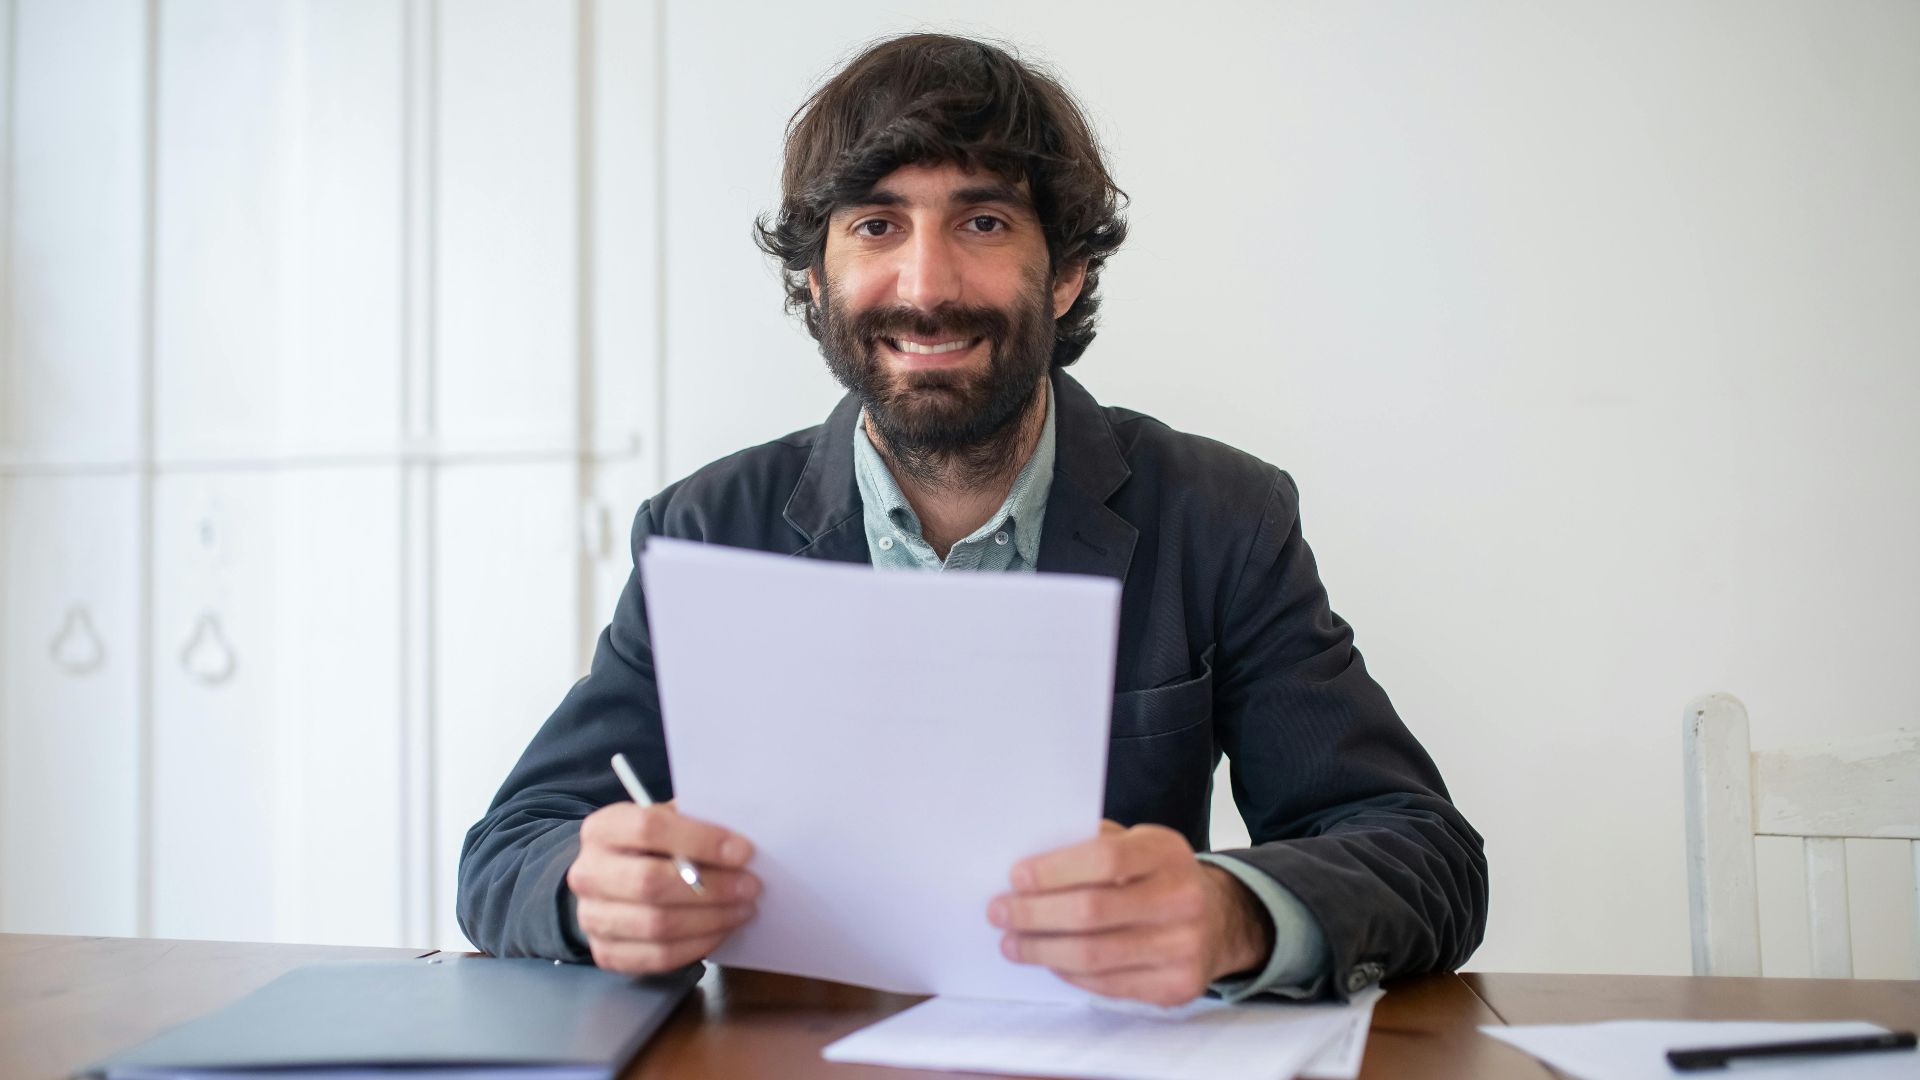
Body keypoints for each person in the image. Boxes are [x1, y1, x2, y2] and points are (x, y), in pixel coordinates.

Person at [457, 32, 1486, 1006]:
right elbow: (508, 848)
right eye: (876, 225)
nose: (927, 285)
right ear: (816, 280)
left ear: (1070, 268)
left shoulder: (1220, 516)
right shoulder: (702, 529)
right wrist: (584, 892)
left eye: (983, 222)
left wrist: (1237, 913)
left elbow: (1423, 851)